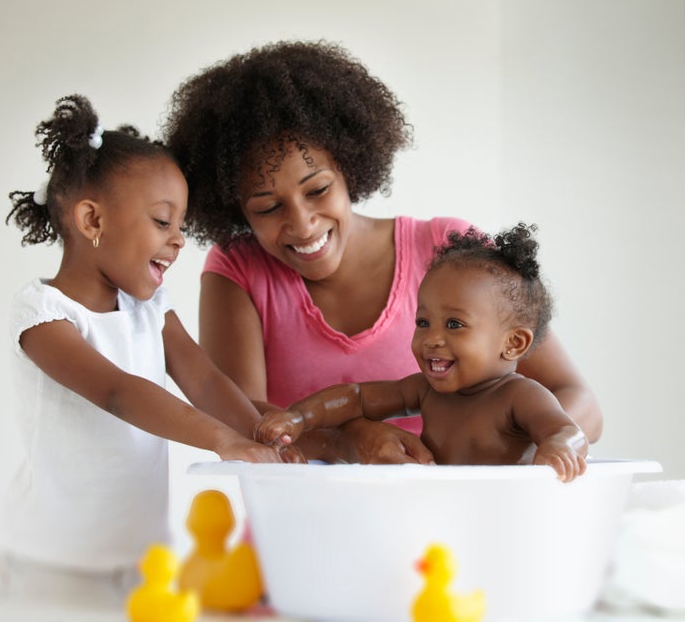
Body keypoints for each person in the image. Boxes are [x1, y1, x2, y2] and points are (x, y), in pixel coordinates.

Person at [163, 40, 603, 464]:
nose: (302, 223)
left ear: (349, 166)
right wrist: (346, 438)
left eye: (318, 189)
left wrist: (518, 443)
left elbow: (579, 402)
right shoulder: (238, 270)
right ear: (235, 209)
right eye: (268, 207)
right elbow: (238, 416)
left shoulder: (449, 255)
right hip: (301, 518)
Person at [0, 95, 294, 609]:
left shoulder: (150, 307)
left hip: (143, 560)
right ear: (92, 221)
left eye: (180, 225)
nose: (179, 240)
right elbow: (116, 391)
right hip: (52, 566)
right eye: (162, 222)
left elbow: (202, 378)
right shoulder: (42, 312)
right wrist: (223, 440)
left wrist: (257, 432)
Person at [254, 223, 589, 482]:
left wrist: (559, 447)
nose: (432, 339)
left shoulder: (521, 396)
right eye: (424, 321)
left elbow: (567, 431)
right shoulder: (424, 390)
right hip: (435, 515)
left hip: (500, 517)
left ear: (513, 343)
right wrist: (298, 418)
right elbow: (355, 397)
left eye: (455, 325)